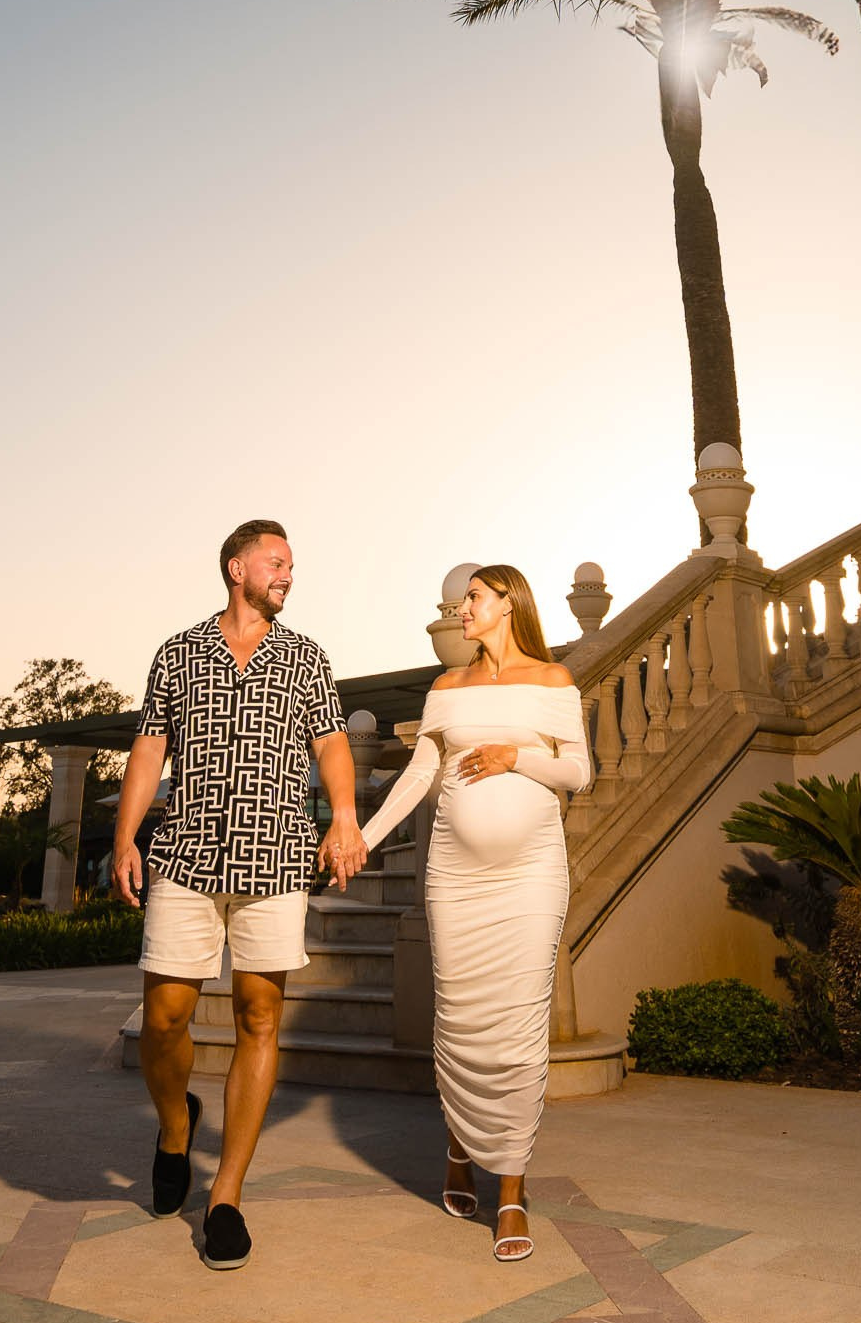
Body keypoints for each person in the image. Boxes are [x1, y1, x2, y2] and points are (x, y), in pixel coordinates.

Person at [112, 518, 363, 1267]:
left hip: (277, 858)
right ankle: (174, 1127)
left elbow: (332, 742)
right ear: (236, 567)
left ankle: (225, 1196)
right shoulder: (179, 652)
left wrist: (344, 818)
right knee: (165, 1017)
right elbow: (150, 747)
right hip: (186, 856)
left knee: (260, 1015)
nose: (288, 573)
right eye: (276, 562)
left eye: (292, 565)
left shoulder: (306, 657)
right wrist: (127, 838)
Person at [360, 564, 590, 1263]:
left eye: (474, 601)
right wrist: (362, 840)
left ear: (507, 604)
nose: (463, 611)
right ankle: (460, 1148)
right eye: (462, 603)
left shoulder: (552, 681)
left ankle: (512, 1189)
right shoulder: (446, 689)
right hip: (456, 878)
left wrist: (515, 756)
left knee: (519, 1023)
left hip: (530, 876)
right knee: (459, 1017)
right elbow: (420, 775)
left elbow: (579, 773)